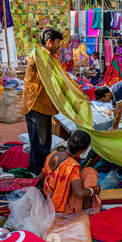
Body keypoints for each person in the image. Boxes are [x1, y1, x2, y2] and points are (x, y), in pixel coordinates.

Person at [20, 28, 64, 175]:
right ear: (49, 41)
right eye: (58, 42)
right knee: (39, 143)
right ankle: (37, 174)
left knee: (45, 143)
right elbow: (53, 77)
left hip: (44, 105)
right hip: (35, 104)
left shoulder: (50, 56)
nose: (59, 46)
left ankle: (38, 172)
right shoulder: (39, 55)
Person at [37, 130, 101, 214]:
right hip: (56, 204)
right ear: (83, 151)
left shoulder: (52, 154)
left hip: (46, 195)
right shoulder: (72, 166)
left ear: (68, 140)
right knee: (89, 172)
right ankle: (84, 213)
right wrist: (94, 189)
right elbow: (80, 193)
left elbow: (40, 177)